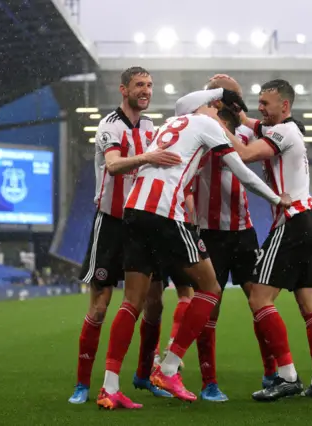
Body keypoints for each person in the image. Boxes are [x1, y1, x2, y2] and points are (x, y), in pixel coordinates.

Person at [96, 89, 292, 407]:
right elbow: (242, 171)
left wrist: (222, 93)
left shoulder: (170, 122)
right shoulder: (206, 123)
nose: (218, 113)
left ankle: (110, 387)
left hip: (133, 209)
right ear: (208, 108)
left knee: (132, 301)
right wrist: (276, 198)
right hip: (164, 212)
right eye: (216, 108)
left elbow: (185, 103)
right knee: (210, 287)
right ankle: (169, 368)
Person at [68, 66, 181, 405]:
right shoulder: (110, 125)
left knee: (155, 303)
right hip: (112, 224)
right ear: (124, 90)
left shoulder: (150, 126)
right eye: (139, 85)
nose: (146, 90)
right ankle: (82, 384)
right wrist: (149, 156)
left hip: (144, 224)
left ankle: (144, 375)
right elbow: (114, 165)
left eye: (149, 85)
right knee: (100, 306)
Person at [218, 78, 312, 401]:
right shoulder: (285, 129)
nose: (260, 109)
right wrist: (240, 119)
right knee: (311, 307)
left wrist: (213, 122)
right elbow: (256, 125)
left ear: (285, 106)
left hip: (291, 223)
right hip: (309, 222)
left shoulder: (284, 131)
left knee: (258, 298)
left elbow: (243, 153)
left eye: (266, 104)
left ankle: (287, 376)